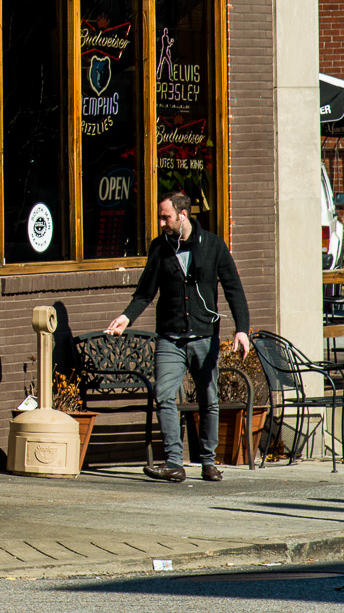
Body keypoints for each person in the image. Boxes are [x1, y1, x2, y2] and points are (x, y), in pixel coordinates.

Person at [104, 191, 251, 482]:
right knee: (164, 395)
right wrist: (126, 317)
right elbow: (146, 291)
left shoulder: (212, 245)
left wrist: (242, 329)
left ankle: (208, 462)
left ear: (182, 215)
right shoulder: (159, 248)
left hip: (203, 336)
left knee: (208, 399)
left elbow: (234, 289)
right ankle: (174, 462)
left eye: (165, 217)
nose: (161, 223)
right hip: (170, 338)